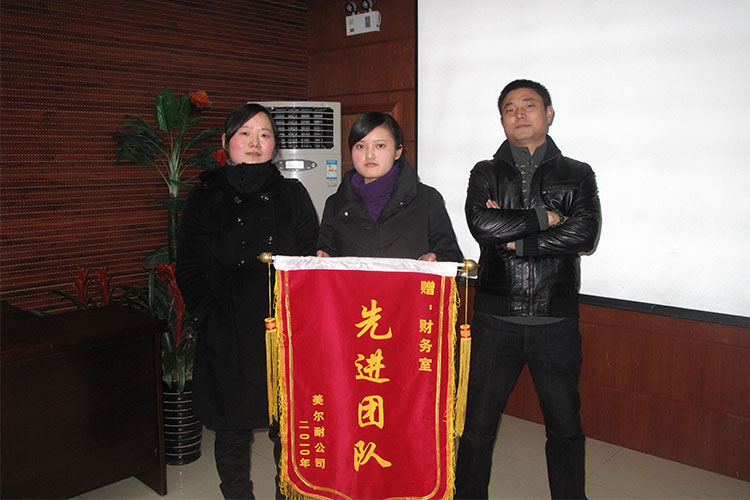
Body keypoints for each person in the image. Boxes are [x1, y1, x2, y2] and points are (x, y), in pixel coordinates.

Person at [456, 79, 601, 499]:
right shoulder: (485, 171)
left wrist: (517, 241)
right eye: (510, 108)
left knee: (565, 427)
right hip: (494, 318)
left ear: (548, 113)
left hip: (556, 319)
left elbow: (584, 234)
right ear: (502, 119)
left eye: (529, 105)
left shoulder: (577, 172)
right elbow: (482, 225)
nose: (519, 113)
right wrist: (545, 218)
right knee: (477, 426)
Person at [176, 103, 319, 499]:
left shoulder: (293, 193)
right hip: (228, 323)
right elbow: (189, 264)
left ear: (275, 145)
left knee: (288, 426)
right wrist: (208, 314)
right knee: (231, 426)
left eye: (265, 134)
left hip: (282, 325)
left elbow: (309, 258)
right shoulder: (206, 195)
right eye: (246, 133)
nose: (256, 142)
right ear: (227, 142)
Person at [316, 112, 462, 262]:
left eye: (380, 146)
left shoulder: (427, 199)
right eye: (360, 146)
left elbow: (451, 256)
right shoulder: (335, 204)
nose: (369, 155)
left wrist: (431, 260)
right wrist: (324, 258)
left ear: (397, 152)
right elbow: (326, 252)